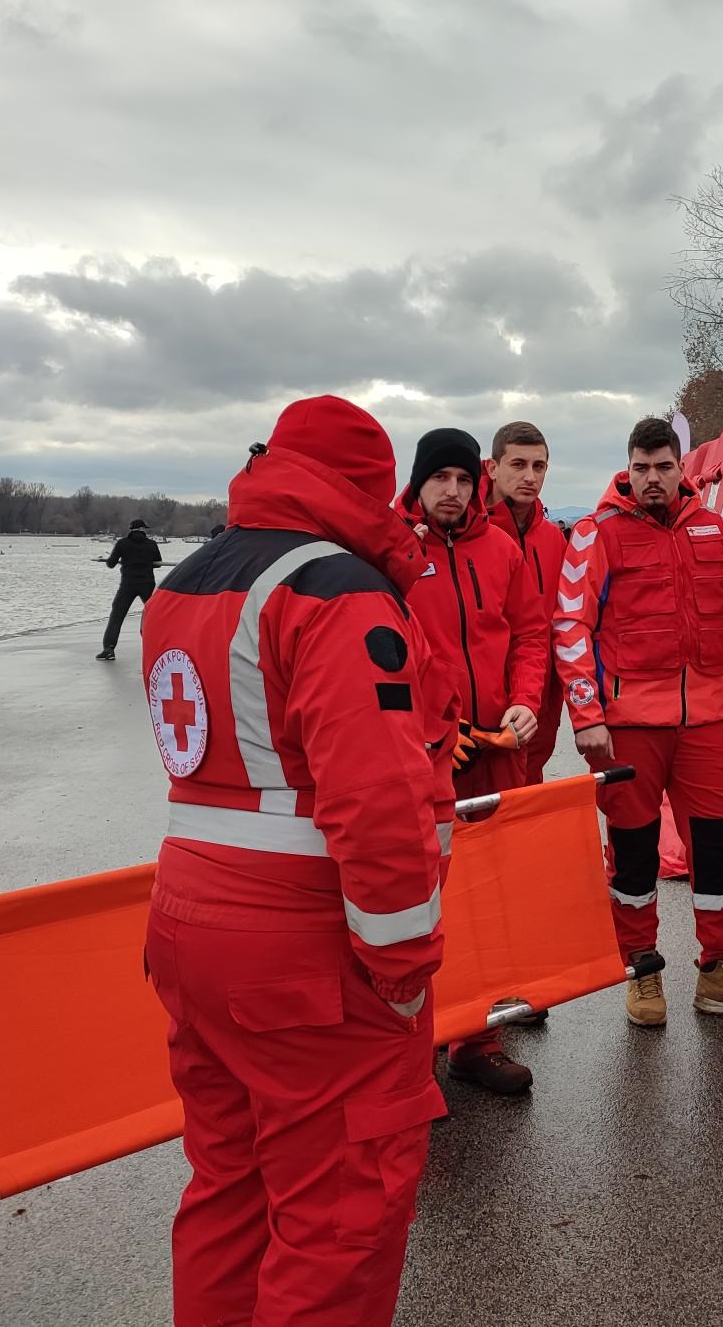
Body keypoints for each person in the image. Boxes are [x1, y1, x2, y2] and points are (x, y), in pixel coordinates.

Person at [140, 396, 456, 1326]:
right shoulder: (336, 589)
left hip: (190, 926)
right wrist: (402, 967)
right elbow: (378, 799)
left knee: (228, 1190)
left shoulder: (185, 581)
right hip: (307, 951)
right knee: (340, 1213)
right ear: (370, 486)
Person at [553, 415, 723, 1026]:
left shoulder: (712, 528)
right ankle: (642, 972)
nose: (653, 479)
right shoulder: (594, 532)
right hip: (627, 725)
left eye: (663, 467)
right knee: (633, 858)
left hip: (702, 724)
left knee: (719, 850)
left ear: (680, 469)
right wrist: (586, 717)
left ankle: (718, 973)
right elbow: (570, 628)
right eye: (642, 468)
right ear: (627, 469)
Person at [398, 427, 549, 1095]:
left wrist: (525, 702)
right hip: (422, 757)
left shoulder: (501, 548)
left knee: (490, 894)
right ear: (419, 483)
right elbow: (381, 654)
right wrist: (430, 729)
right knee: (414, 902)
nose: (453, 493)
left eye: (463, 480)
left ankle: (477, 1040)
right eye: (441, 480)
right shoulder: (392, 553)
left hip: (495, 750)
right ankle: (408, 1053)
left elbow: (530, 634)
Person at [485, 420, 569, 785]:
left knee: (528, 793)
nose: (530, 477)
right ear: (493, 467)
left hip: (540, 697)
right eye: (518, 465)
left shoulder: (553, 539)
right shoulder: (470, 533)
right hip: (484, 693)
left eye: (539, 467)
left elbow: (562, 621)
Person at [97, 518, 161, 660]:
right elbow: (158, 563)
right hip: (147, 583)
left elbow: (111, 564)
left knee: (117, 616)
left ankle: (109, 649)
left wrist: (119, 559)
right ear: (142, 530)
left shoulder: (122, 544)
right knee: (156, 616)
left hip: (128, 584)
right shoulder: (151, 544)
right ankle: (164, 646)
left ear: (131, 529)